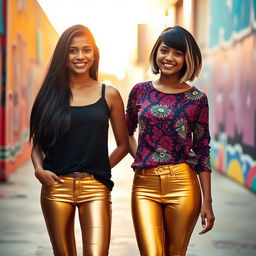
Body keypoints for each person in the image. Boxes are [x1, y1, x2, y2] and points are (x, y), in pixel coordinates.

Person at [29, 24, 128, 256]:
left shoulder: (109, 94)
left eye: (86, 50)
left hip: (95, 188)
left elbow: (123, 145)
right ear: (63, 55)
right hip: (56, 187)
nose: (80, 56)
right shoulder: (49, 96)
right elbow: (37, 142)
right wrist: (38, 170)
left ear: (94, 54)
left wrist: (99, 168)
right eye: (73, 50)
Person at [126, 26, 215, 256]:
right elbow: (126, 131)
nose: (169, 58)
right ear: (157, 52)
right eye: (164, 50)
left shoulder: (197, 98)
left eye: (178, 53)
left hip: (183, 184)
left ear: (187, 59)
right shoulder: (140, 91)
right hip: (144, 185)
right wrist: (140, 155)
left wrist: (207, 201)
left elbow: (202, 150)